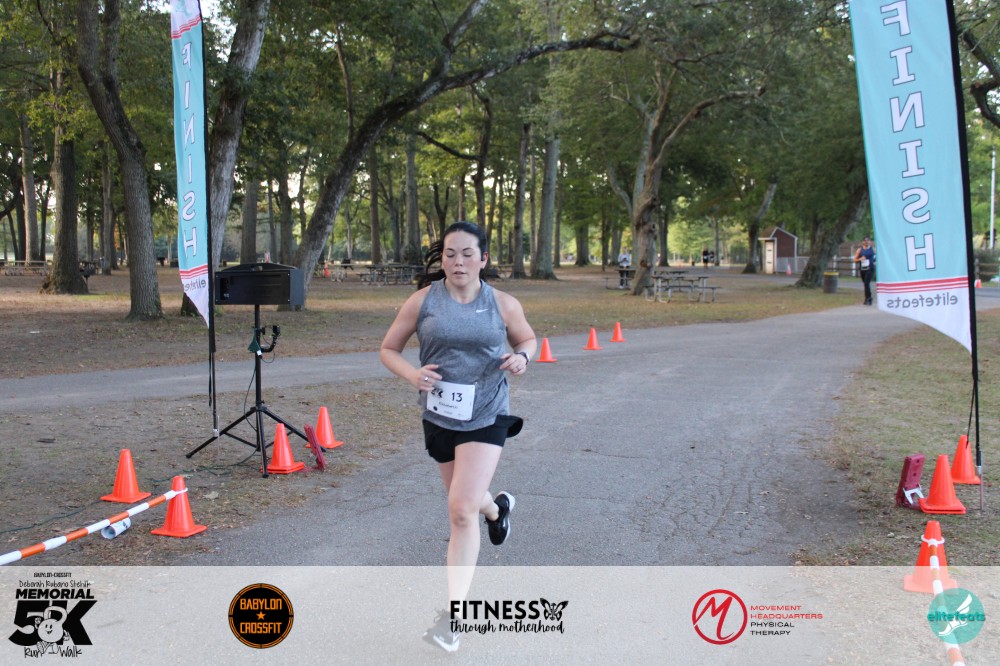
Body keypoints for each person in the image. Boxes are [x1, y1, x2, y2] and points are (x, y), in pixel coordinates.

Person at [380, 221, 537, 653]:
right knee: (467, 502)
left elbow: (527, 338)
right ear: (442, 258)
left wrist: (522, 357)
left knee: (460, 509)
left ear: (483, 258)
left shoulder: (502, 303)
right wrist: (412, 374)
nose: (458, 261)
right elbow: (388, 349)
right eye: (450, 254)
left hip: (487, 411)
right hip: (440, 415)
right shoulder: (423, 301)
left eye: (468, 254)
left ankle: (454, 618)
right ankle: (497, 509)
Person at [854, 237, 876, 305]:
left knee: (866, 283)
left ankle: (868, 299)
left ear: (870, 242)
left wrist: (875, 262)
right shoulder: (860, 250)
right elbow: (855, 260)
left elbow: (877, 257)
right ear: (862, 242)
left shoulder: (873, 249)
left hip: (870, 268)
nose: (866, 242)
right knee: (865, 284)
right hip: (863, 269)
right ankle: (868, 298)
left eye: (868, 240)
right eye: (865, 240)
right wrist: (860, 259)